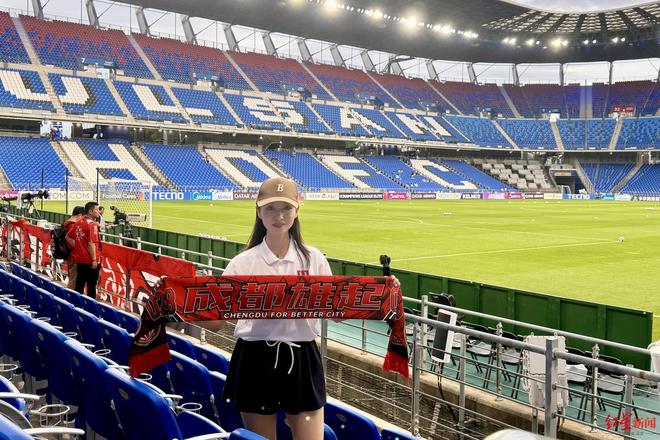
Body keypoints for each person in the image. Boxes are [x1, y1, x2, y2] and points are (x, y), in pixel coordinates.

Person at [221, 177, 330, 440]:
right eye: (270, 208)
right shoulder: (242, 263)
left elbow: (335, 311)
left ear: (297, 210)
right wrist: (180, 303)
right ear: (259, 212)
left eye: (286, 208)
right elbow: (216, 320)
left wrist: (383, 293)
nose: (279, 216)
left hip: (302, 358)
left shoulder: (314, 259)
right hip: (254, 360)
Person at [66, 201, 101, 299]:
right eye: (97, 210)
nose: (98, 212)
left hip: (79, 260)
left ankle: (77, 304)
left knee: (79, 284)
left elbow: (67, 237)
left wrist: (78, 247)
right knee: (91, 286)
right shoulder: (92, 224)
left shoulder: (78, 222)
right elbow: (91, 243)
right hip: (90, 260)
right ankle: (90, 307)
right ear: (90, 211)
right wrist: (94, 259)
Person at [61, 206, 85, 289]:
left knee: (72, 277)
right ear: (80, 215)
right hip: (73, 255)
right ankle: (70, 296)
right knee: (74, 280)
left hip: (68, 254)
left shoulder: (66, 223)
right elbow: (72, 240)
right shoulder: (73, 225)